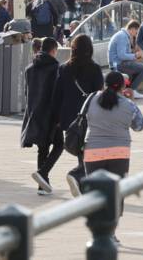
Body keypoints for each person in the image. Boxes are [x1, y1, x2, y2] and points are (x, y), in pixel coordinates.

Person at [51, 34, 104, 196]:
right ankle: (78, 174)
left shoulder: (64, 68)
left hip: (69, 117)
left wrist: (56, 118)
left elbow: (57, 94)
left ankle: (82, 181)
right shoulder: (95, 69)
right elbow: (98, 94)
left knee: (81, 147)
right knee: (88, 148)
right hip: (89, 114)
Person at [84, 70, 143, 184]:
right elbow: (139, 126)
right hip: (119, 152)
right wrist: (131, 101)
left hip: (93, 150)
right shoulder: (128, 104)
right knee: (117, 194)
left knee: (93, 194)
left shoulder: (91, 98)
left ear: (104, 84)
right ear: (123, 86)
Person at [21, 37, 62, 195]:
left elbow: (27, 93)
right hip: (51, 113)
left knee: (42, 149)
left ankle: (42, 185)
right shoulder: (56, 67)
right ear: (53, 50)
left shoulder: (30, 68)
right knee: (59, 144)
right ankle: (43, 173)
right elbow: (57, 93)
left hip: (35, 113)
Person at [108, 20, 143, 98]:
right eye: (137, 32)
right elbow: (121, 55)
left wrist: (134, 54)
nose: (137, 35)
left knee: (141, 66)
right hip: (118, 64)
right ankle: (132, 90)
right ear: (132, 29)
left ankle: (129, 90)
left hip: (118, 63)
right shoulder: (122, 37)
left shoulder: (123, 35)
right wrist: (135, 55)